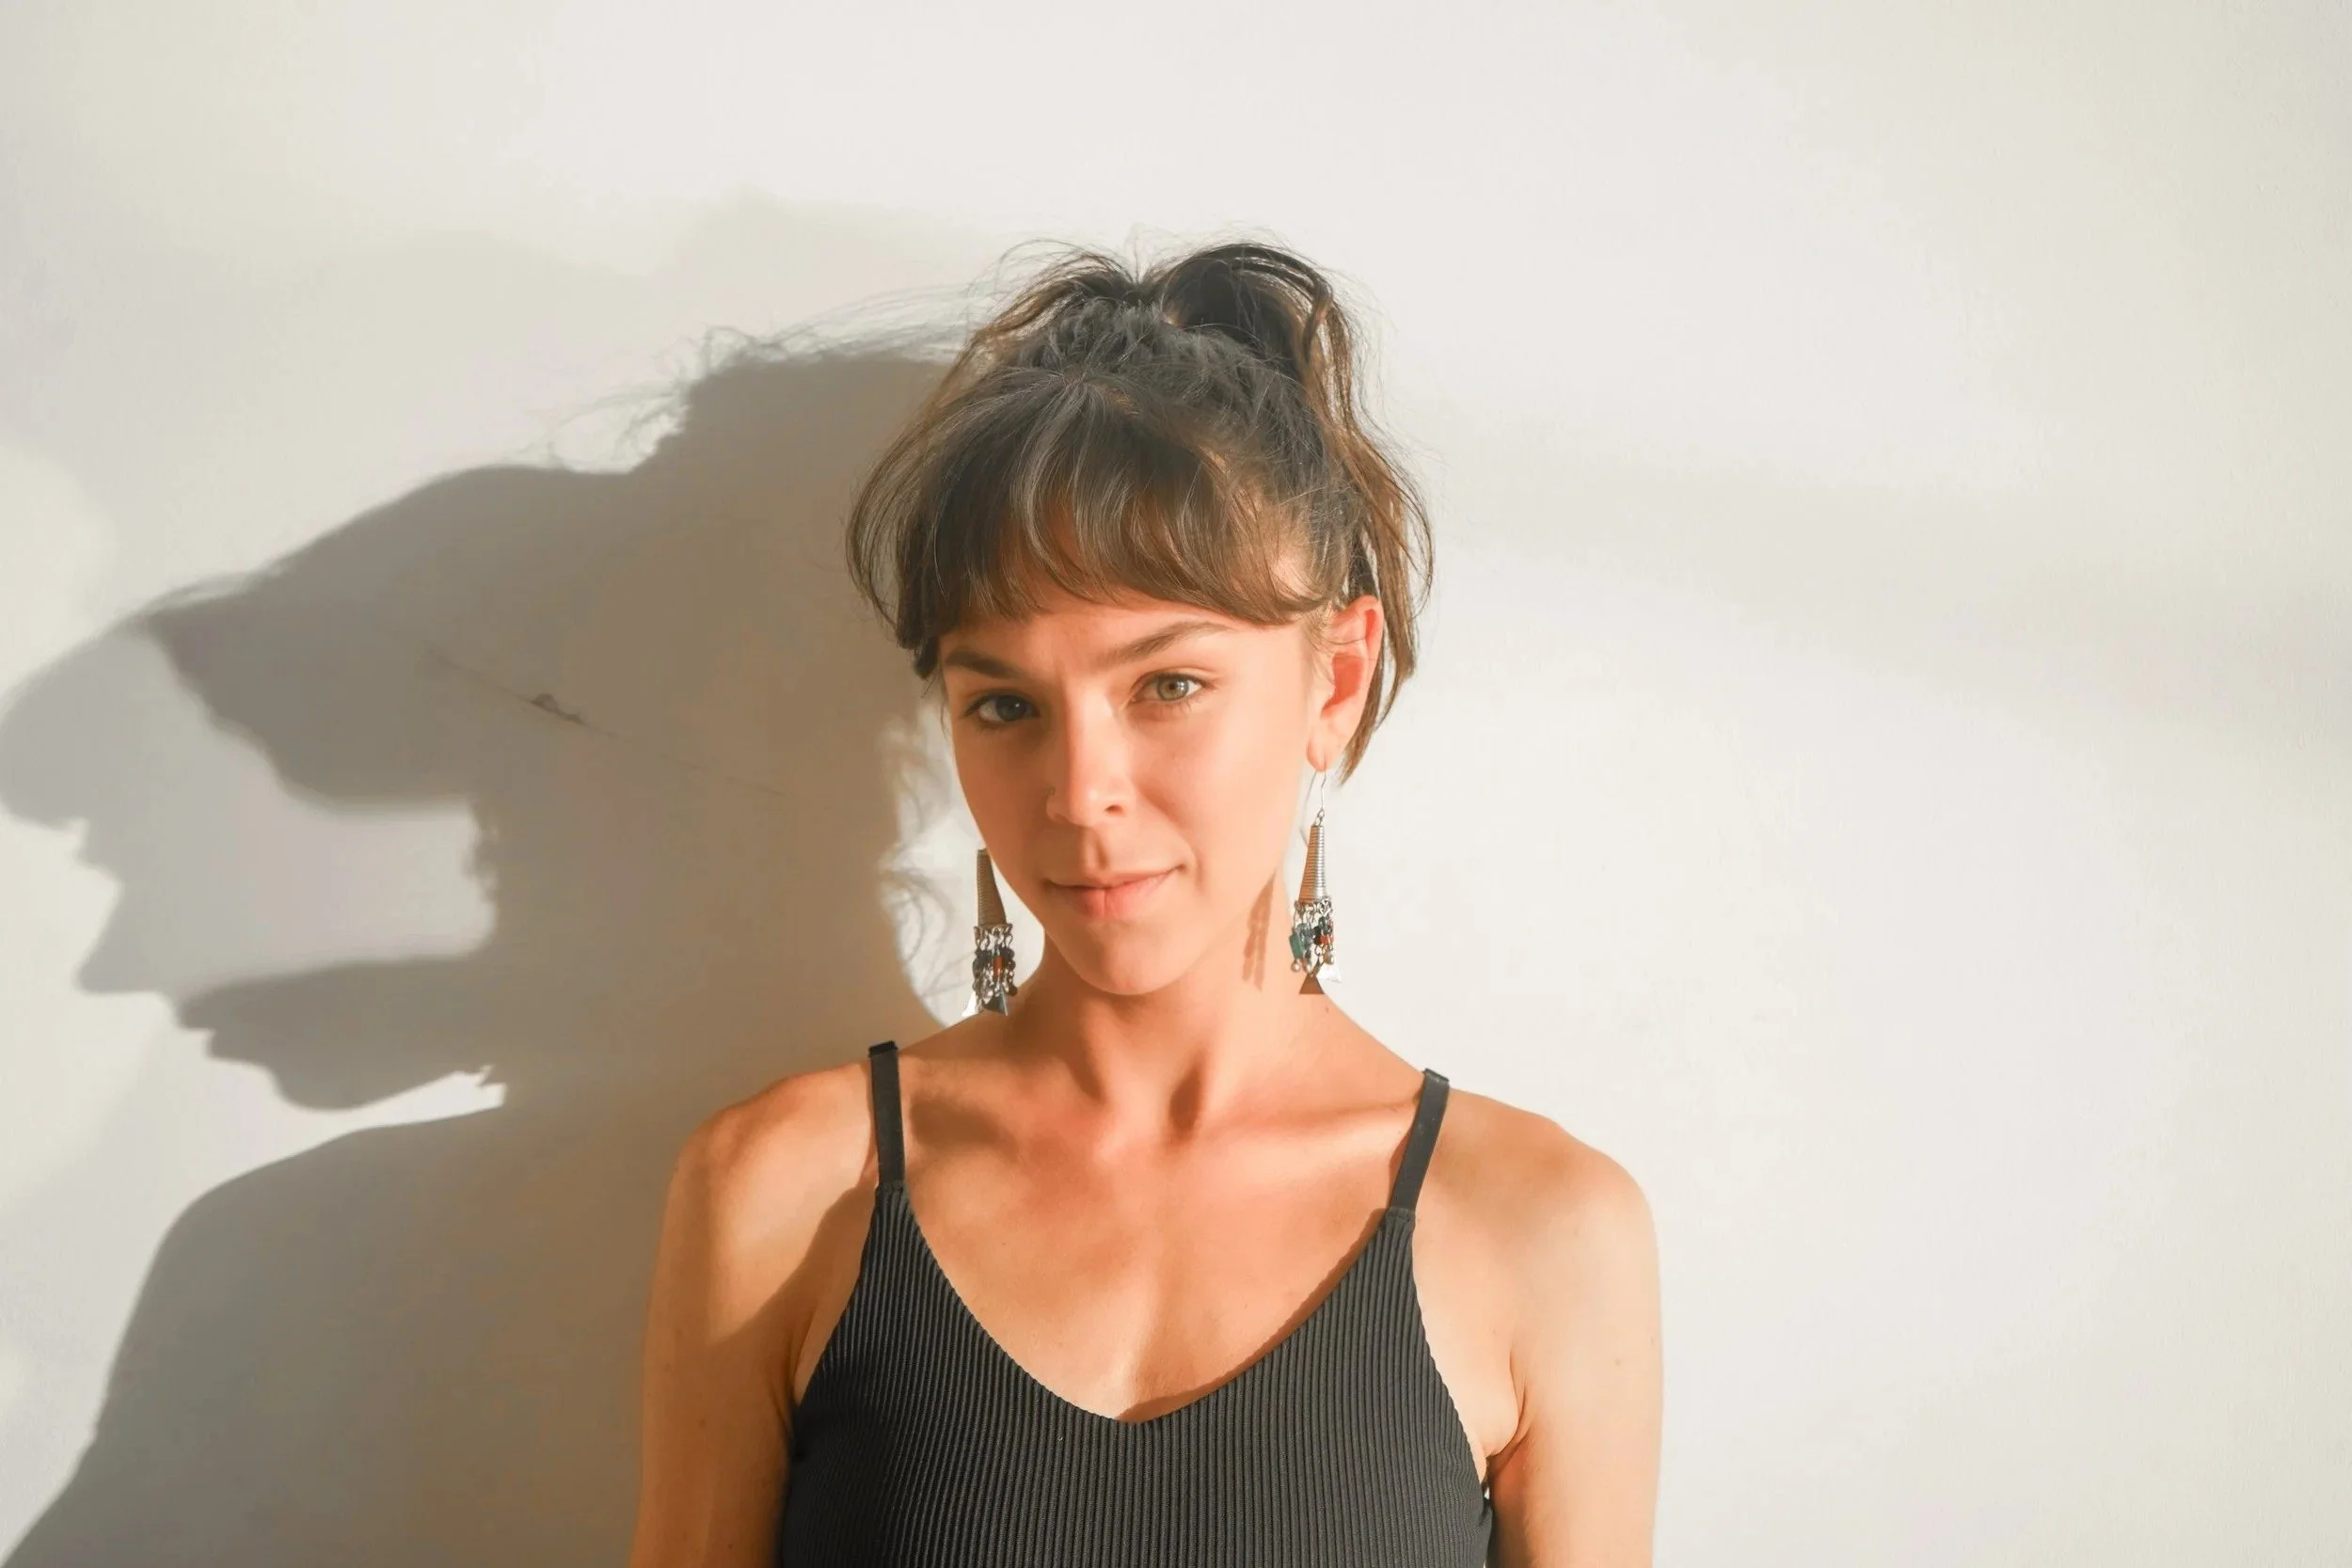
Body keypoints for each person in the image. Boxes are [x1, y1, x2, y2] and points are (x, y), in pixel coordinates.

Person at [626, 238, 1662, 1567]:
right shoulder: (781, 1192)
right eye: (1004, 704)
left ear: (1334, 682)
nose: (1078, 791)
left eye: (1166, 686)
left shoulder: (1543, 1230)